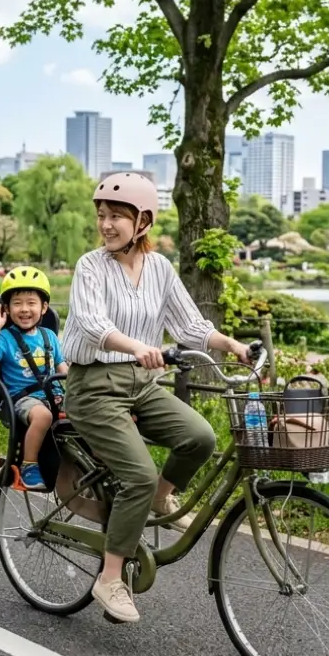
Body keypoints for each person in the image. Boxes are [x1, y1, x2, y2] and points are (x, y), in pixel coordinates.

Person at [62, 172, 253, 624]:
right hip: (93, 388)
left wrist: (234, 346)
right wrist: (136, 347)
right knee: (138, 476)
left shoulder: (160, 268)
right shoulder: (90, 266)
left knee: (200, 437)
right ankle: (110, 579)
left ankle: (160, 498)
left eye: (116, 217)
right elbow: (91, 324)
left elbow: (190, 324)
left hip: (140, 384)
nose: (106, 225)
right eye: (102, 216)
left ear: (142, 221)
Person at [0, 266, 68, 490]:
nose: (25, 309)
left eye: (31, 303)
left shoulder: (50, 337)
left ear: (44, 307)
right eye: (17, 303)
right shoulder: (6, 338)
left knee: (91, 410)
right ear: (7, 308)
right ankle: (29, 465)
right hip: (24, 400)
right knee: (43, 416)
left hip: (54, 394)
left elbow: (63, 369)